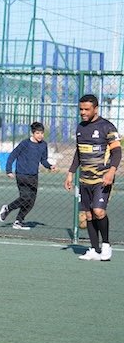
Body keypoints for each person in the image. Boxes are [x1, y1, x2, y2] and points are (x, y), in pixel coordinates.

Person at [64, 94, 119, 261]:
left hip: (102, 179)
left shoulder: (107, 127)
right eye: (81, 109)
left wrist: (111, 172)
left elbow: (117, 152)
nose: (83, 112)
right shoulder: (80, 127)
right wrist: (70, 173)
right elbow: (79, 152)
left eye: (86, 109)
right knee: (88, 215)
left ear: (96, 109)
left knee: (98, 211)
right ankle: (94, 249)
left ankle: (106, 246)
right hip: (84, 180)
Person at [0, 122, 56, 230]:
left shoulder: (43, 145)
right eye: (37, 133)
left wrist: (49, 166)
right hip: (22, 175)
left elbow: (43, 160)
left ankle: (18, 221)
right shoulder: (25, 143)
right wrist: (8, 170)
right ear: (33, 133)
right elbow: (13, 155)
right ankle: (7, 208)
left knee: (31, 202)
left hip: (33, 176)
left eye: (42, 133)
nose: (40, 135)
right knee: (25, 198)